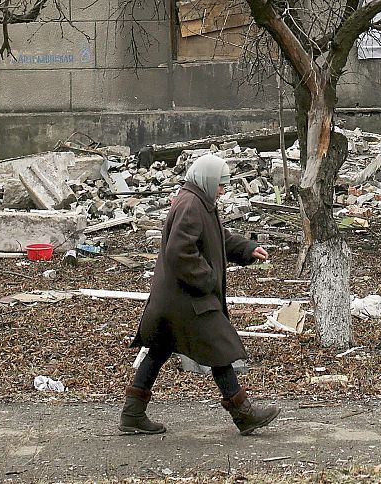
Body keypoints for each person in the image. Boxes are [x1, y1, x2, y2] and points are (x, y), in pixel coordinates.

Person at [120, 152, 280, 436]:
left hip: (176, 298)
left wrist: (245, 248)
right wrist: (207, 279)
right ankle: (244, 415)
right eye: (221, 183)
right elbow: (180, 252)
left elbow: (217, 237)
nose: (223, 189)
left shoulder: (199, 201)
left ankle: (132, 414)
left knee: (158, 350)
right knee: (218, 346)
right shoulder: (192, 204)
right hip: (187, 299)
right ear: (207, 179)